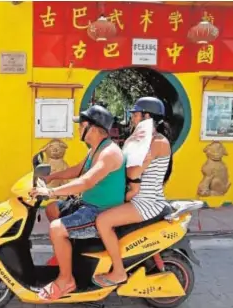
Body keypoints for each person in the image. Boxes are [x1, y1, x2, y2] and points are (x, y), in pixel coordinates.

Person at [31, 105, 126, 300]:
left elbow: (86, 181)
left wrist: (50, 191)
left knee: (57, 229)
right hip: (87, 204)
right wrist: (51, 178)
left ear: (93, 128)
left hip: (99, 210)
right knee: (52, 210)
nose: (78, 128)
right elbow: (77, 170)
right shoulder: (95, 149)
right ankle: (68, 256)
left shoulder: (109, 153)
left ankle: (66, 280)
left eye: (82, 125)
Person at [92, 97, 174, 287]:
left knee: (103, 221)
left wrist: (131, 178)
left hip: (146, 203)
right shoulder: (141, 139)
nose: (133, 119)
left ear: (147, 116)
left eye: (136, 115)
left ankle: (119, 272)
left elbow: (134, 171)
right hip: (136, 196)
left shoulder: (157, 142)